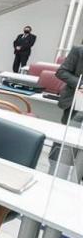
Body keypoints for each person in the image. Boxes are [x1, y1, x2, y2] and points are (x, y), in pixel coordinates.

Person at [51, 46, 83, 183]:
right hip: (76, 102)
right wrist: (81, 83)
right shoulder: (79, 51)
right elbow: (61, 72)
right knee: (64, 144)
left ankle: (76, 183)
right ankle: (54, 177)